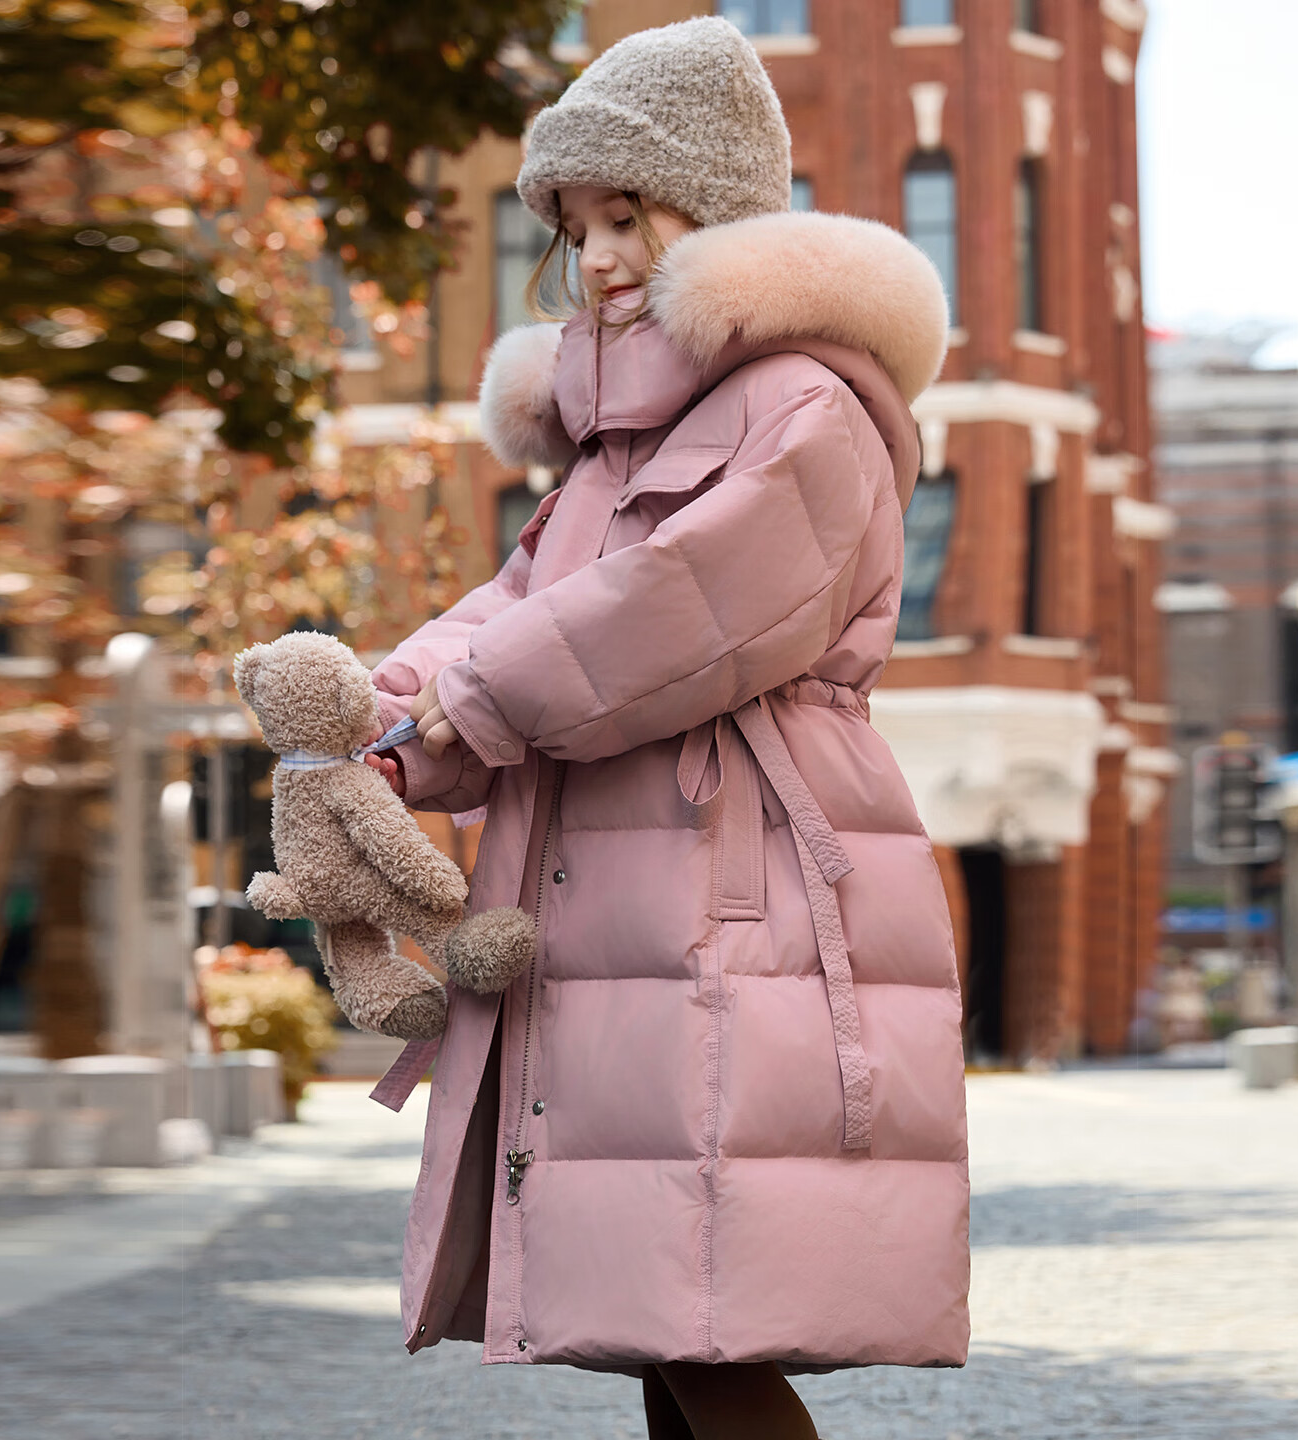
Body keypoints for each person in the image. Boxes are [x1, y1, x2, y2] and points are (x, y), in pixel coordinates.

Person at [361, 18, 969, 1439]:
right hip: (621, 881)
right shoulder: (616, 442)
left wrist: (474, 701)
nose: (604, 260)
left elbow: (676, 609)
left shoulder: (802, 403)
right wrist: (390, 716)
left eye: (629, 214)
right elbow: (521, 599)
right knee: (661, 1313)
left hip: (728, 883)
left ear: (719, 209)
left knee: (706, 1319)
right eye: (579, 230)